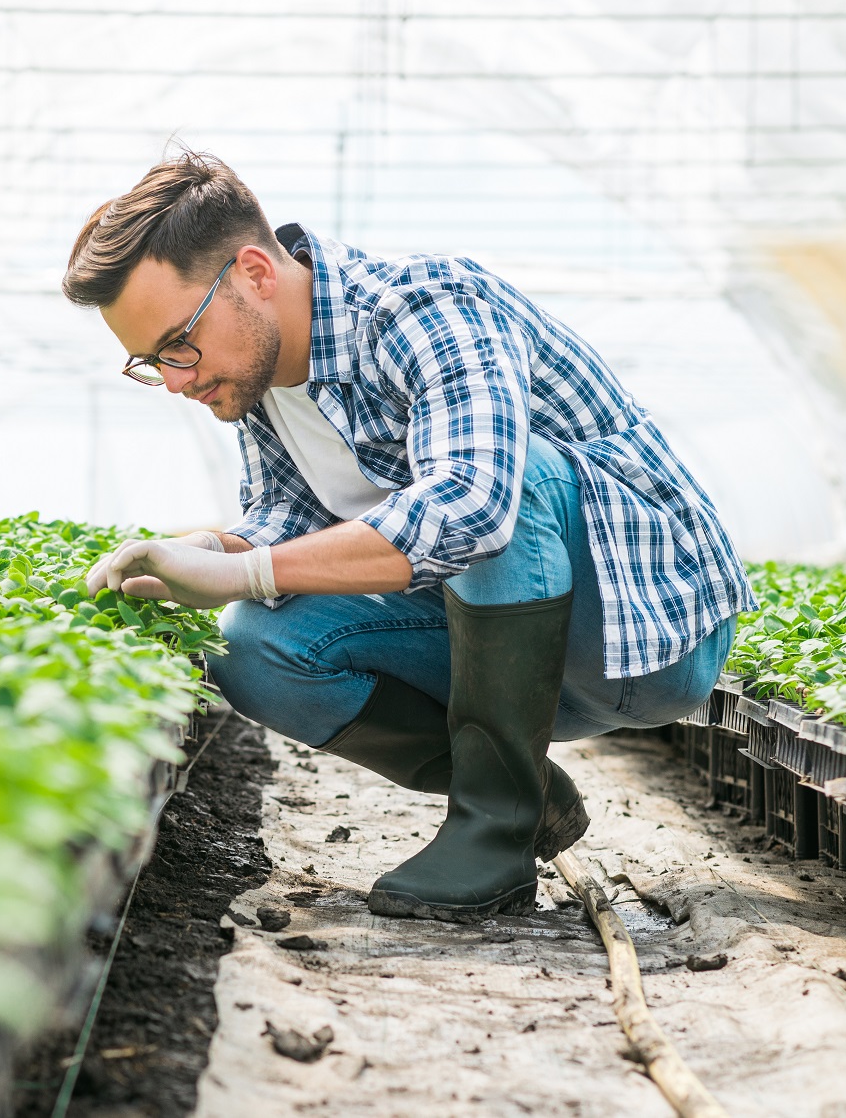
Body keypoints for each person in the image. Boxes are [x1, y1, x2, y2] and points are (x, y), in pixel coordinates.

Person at [66, 151, 749, 923]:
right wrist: (213, 554)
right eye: (152, 363)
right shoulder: (259, 383)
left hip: (641, 635)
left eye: (178, 343)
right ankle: (521, 797)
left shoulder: (423, 307)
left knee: (501, 480)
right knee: (253, 645)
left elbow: (474, 507)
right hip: (513, 654)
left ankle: (492, 834)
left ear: (255, 272)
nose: (179, 381)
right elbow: (286, 529)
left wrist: (246, 569)